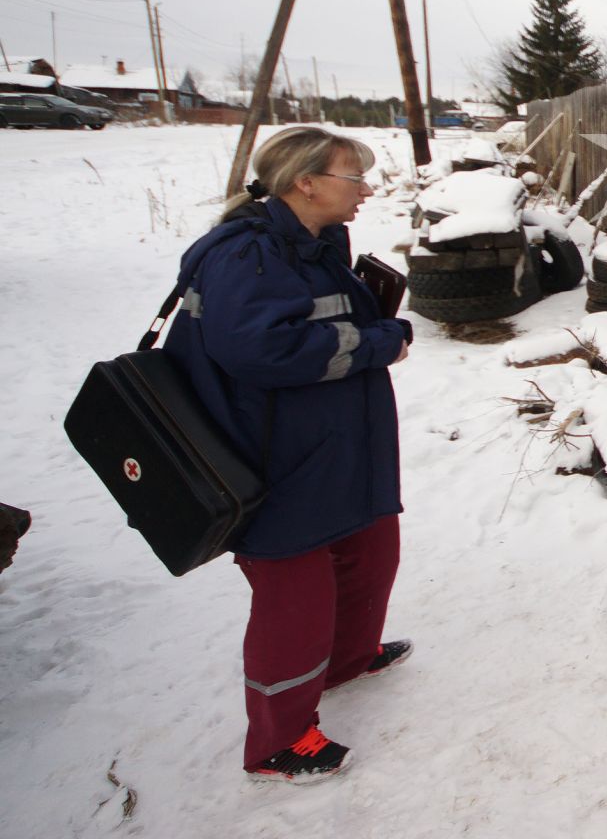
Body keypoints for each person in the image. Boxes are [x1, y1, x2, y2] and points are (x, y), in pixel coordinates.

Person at [165, 127, 414, 783]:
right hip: (274, 457)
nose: (365, 189)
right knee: (295, 599)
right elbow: (262, 351)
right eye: (351, 177)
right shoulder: (245, 255)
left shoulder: (311, 243)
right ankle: (278, 742)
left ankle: (348, 661)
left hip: (335, 446)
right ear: (305, 183)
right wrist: (375, 343)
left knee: (371, 550)